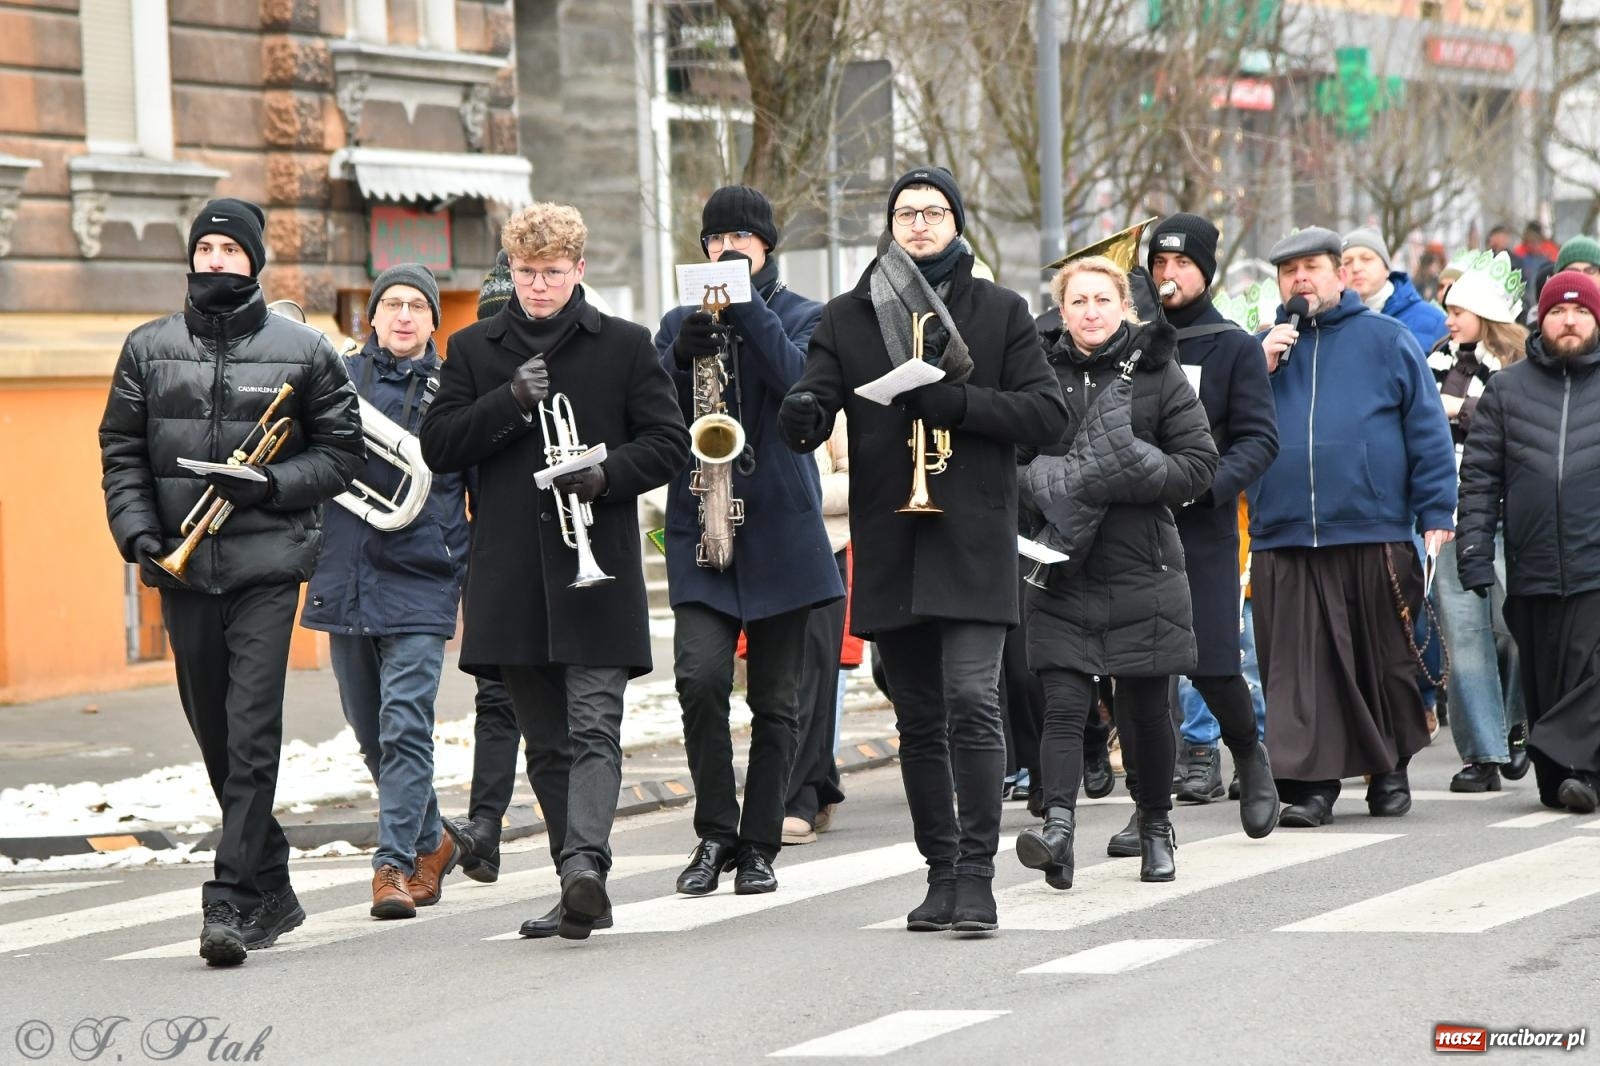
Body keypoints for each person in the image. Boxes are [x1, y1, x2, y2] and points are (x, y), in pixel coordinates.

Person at [779, 166, 1068, 933]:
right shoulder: (850, 314)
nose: (919, 223)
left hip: (972, 539)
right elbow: (815, 395)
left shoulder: (1000, 311)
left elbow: (1047, 416)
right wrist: (802, 411)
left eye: (933, 211)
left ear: (956, 222)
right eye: (906, 212)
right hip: (893, 540)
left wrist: (958, 404)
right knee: (917, 718)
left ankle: (977, 874)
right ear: (891, 223)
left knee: (973, 698)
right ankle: (941, 872)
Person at [99, 198, 363, 965]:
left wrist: (269, 484)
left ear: (254, 261)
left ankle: (231, 899)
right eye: (205, 248)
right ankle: (273, 882)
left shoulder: (305, 350)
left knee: (250, 733)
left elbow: (342, 454)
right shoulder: (147, 348)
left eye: (230, 249)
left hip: (267, 566)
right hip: (181, 569)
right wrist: (138, 533)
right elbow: (121, 449)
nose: (215, 260)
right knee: (215, 736)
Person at [419, 202, 690, 940]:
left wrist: (606, 476)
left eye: (552, 272)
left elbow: (670, 443)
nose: (538, 285)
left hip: (596, 568)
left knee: (595, 725)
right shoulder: (473, 349)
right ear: (511, 270)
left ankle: (585, 867)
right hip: (511, 576)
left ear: (579, 269)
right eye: (526, 272)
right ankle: (574, 880)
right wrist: (508, 401)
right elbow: (440, 444)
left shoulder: (625, 345)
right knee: (545, 742)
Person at [654, 185, 843, 894]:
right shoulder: (678, 320)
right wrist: (678, 357)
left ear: (766, 246)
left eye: (739, 238)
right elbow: (651, 411)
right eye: (714, 239)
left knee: (776, 700)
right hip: (703, 523)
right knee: (699, 678)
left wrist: (746, 311)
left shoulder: (804, 315)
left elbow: (803, 385)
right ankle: (713, 833)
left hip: (780, 529)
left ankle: (759, 844)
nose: (725, 248)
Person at [1015, 254, 1219, 887]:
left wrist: (1129, 465)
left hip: (1142, 564)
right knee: (1062, 704)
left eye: (1103, 300)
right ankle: (1057, 829)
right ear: (1061, 310)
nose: (1091, 312)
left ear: (1125, 308)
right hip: (1061, 564)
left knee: (1144, 710)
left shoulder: (1158, 371)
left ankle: (1155, 825)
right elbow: (1010, 462)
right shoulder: (1035, 372)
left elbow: (1198, 466)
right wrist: (1054, 481)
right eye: (1078, 301)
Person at [1253, 226, 1457, 826]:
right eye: (1288, 271)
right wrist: (1258, 366)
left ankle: (1389, 771)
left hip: (1372, 528)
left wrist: (1436, 509)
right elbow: (1222, 427)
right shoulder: (1261, 350)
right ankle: (1311, 787)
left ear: (1341, 275)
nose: (1300, 280)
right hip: (1285, 533)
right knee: (1300, 673)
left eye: (1311, 267)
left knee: (1383, 662)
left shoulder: (1387, 338)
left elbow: (1427, 429)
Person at [300, 264, 473, 919]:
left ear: (433, 321)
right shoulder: (337, 377)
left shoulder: (455, 390)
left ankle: (392, 865)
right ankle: (434, 840)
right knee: (373, 735)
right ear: (371, 315)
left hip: (423, 578)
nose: (404, 316)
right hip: (345, 575)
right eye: (392, 304)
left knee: (405, 727)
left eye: (417, 306)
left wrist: (461, 564)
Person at [1145, 214, 1280, 838]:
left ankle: (1249, 754)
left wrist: (1207, 487)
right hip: (1137, 527)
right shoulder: (1135, 343)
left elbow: (1259, 440)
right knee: (1140, 671)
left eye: (1182, 264)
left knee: (1213, 661)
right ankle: (1149, 809)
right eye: (1159, 264)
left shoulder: (1233, 346)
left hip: (1202, 527)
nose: (1169, 275)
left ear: (1205, 271)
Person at [1458, 271, 1600, 813]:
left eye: (1581, 311)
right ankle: (1559, 767)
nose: (1570, 321)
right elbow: (1480, 477)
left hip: (1594, 561)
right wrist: (1473, 551)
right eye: (1559, 311)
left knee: (1591, 672)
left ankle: (1583, 771)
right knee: (1547, 683)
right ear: (1541, 319)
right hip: (1532, 563)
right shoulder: (1507, 389)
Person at [1425, 253, 1528, 793]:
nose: (1448, 320)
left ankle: (1518, 724)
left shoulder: (1521, 364)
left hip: (1513, 513)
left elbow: (1515, 426)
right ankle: (1482, 754)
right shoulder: (1435, 361)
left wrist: (1455, 411)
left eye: (1457, 310)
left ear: (1483, 313)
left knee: (1516, 627)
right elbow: (1420, 424)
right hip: (1453, 512)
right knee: (1465, 636)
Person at [448, 250, 524, 886]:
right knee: (495, 697)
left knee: (561, 705)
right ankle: (486, 829)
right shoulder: (469, 384)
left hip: (556, 550)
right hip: (492, 555)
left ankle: (580, 848)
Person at [784, 414, 853, 844]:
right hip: (760, 549)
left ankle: (798, 799)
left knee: (812, 676)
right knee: (783, 681)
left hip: (823, 548)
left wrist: (792, 491)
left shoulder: (832, 408)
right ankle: (821, 779)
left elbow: (855, 480)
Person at [1342, 227, 1448, 352]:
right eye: (1347, 262)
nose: (1356, 268)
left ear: (1386, 268)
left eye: (1366, 259)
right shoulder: (1332, 324)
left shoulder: (1434, 321)